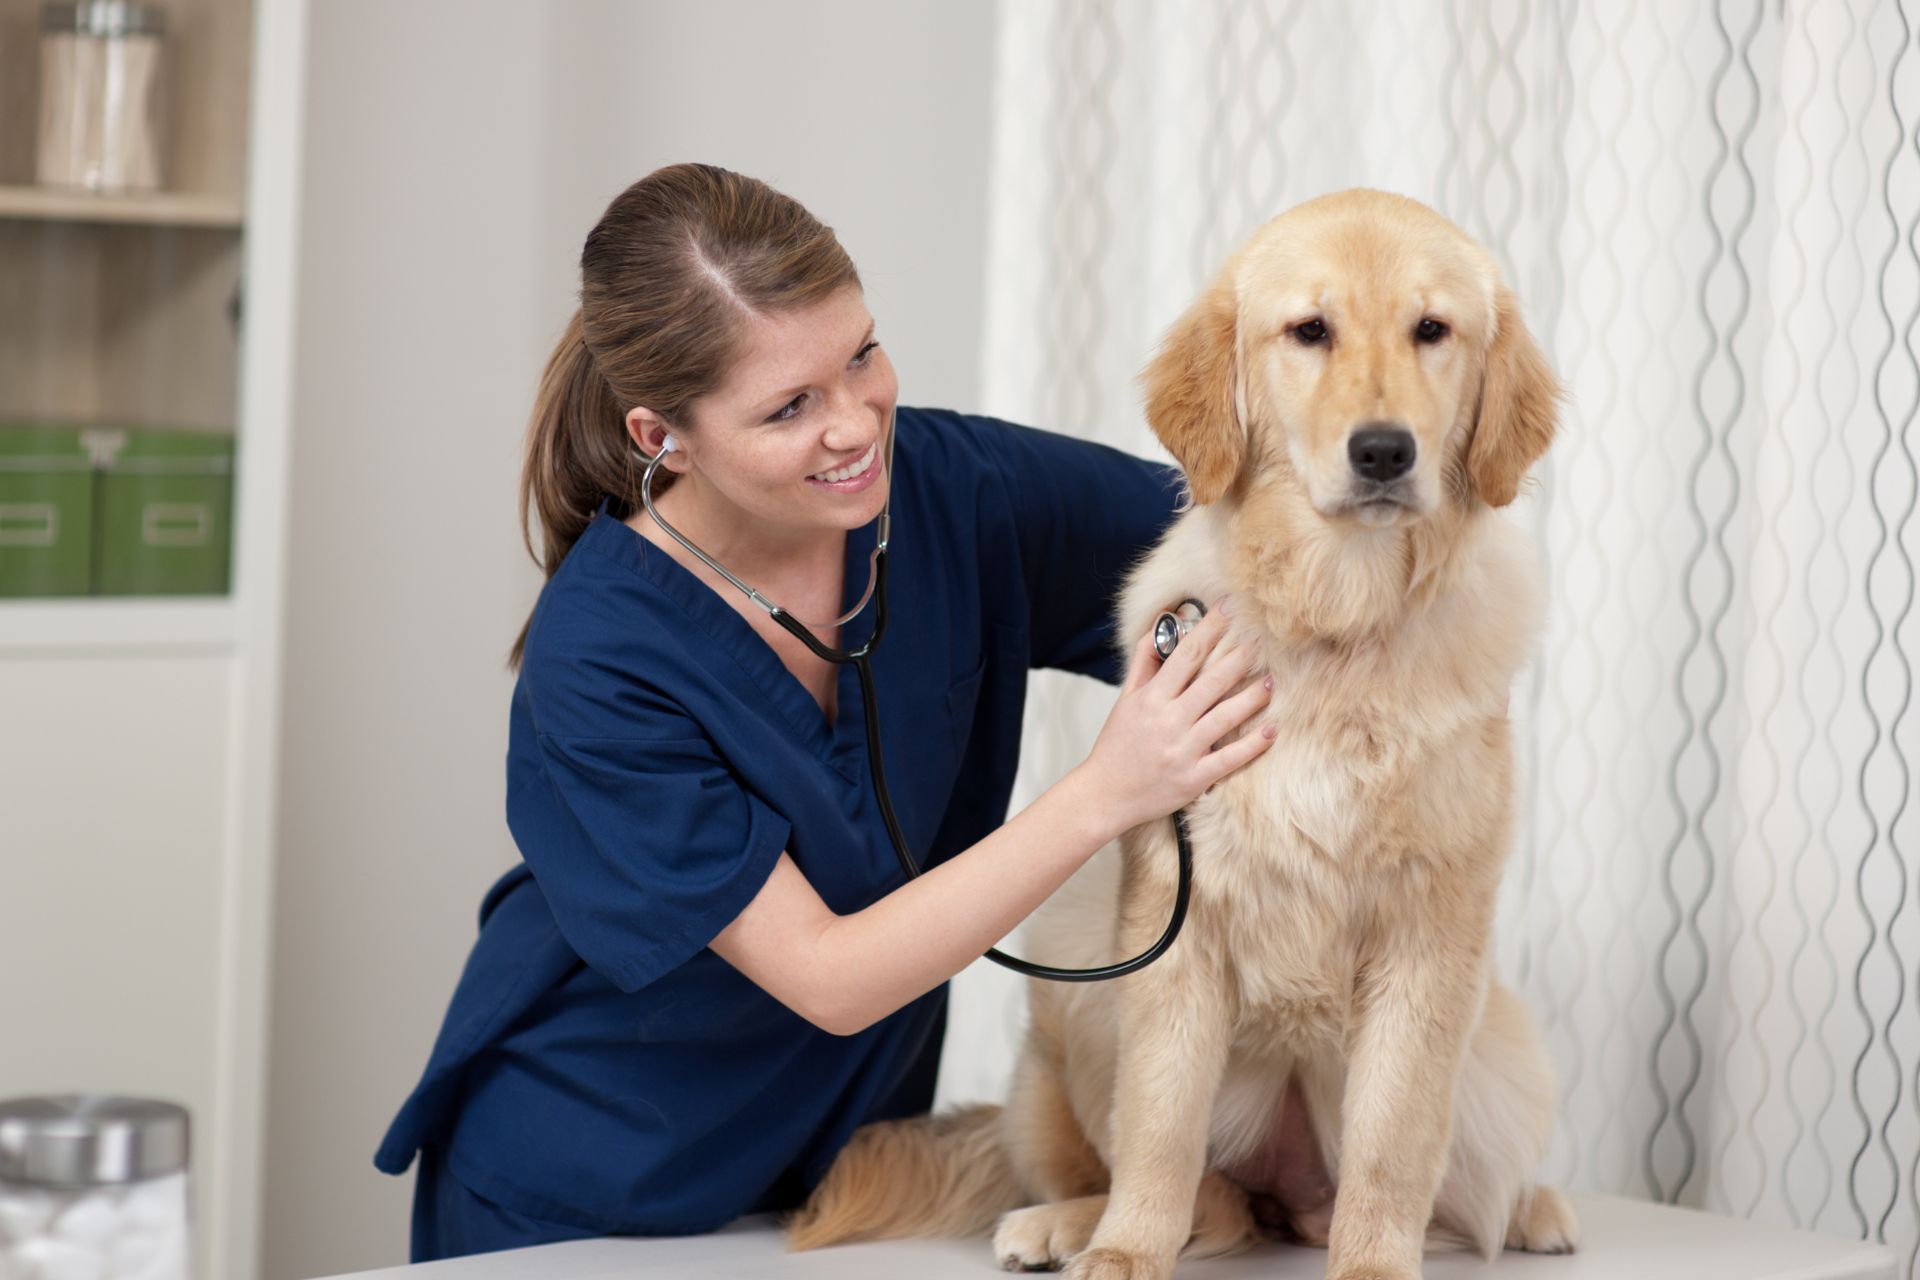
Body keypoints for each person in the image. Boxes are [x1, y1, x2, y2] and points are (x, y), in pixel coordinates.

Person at [374, 162, 1275, 1262]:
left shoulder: (955, 491)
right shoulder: (601, 655)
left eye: (861, 355)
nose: (856, 423)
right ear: (665, 436)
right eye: (790, 406)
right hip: (590, 1174)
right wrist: (1114, 787)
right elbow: (832, 977)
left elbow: (1242, 536)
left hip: (846, 1176)